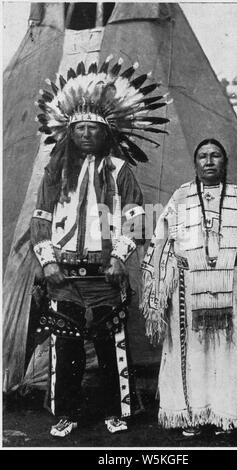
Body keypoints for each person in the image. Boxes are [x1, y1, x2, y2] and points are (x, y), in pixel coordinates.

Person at [30, 57, 170, 437]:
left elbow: (138, 217)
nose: (87, 134)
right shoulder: (55, 172)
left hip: (105, 273)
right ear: (70, 133)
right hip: (62, 273)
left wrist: (120, 258)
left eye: (94, 128)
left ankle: (117, 410)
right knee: (66, 347)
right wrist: (47, 263)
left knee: (112, 345)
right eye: (80, 129)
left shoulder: (120, 170)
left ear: (107, 133)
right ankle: (66, 413)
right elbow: (41, 219)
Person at [142, 138, 237, 436]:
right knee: (195, 352)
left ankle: (228, 415)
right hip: (189, 287)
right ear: (195, 163)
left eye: (215, 156)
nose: (208, 161)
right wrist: (161, 282)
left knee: (232, 349)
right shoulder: (181, 197)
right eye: (202, 156)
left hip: (235, 284)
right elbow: (161, 241)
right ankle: (193, 415)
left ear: (224, 163)